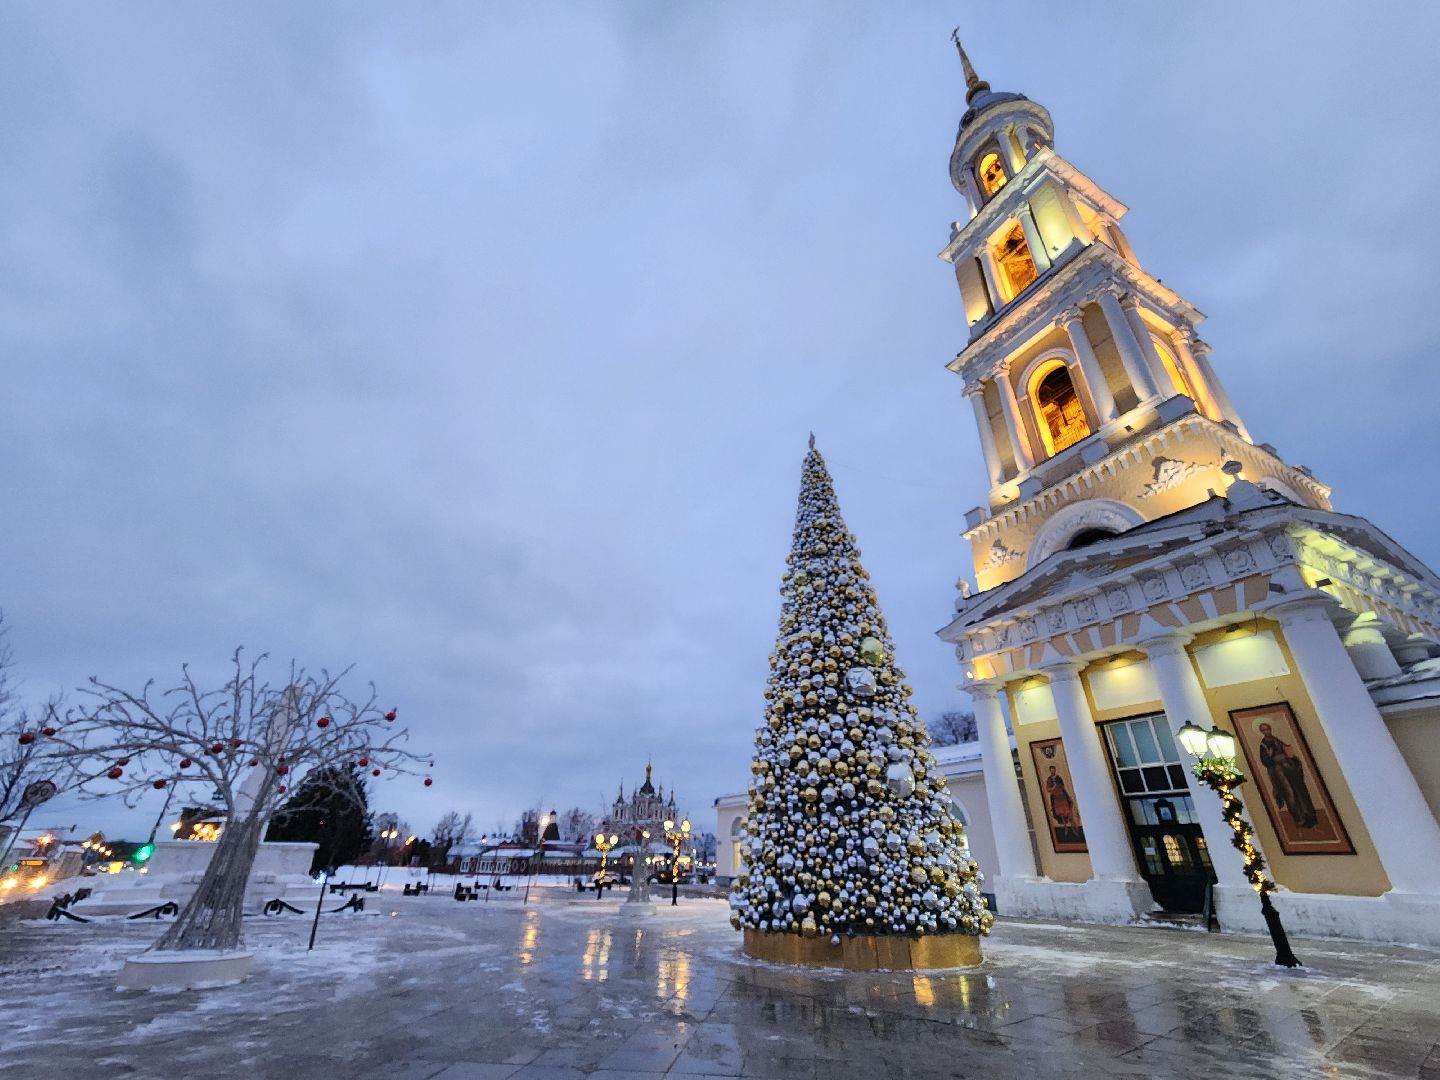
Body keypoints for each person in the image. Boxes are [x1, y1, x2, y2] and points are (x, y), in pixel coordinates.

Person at [1258, 722, 1318, 829]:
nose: (1266, 731)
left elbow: (1287, 751)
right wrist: (1274, 758)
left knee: (1301, 790)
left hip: (1290, 769)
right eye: (1264, 730)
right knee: (1289, 793)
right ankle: (1299, 818)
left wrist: (1291, 757)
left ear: (1270, 729)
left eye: (1267, 729)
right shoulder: (1263, 745)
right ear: (1261, 732)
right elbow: (1265, 760)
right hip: (1279, 772)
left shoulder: (1276, 739)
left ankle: (1309, 815)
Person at [1046, 765, 1076, 834]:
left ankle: (1073, 828)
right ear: (1050, 771)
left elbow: (1062, 786)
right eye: (1051, 770)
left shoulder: (1058, 778)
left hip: (1062, 796)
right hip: (1056, 797)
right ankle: (1065, 828)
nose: (1052, 771)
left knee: (1068, 811)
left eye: (1053, 769)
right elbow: (1048, 788)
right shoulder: (1049, 779)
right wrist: (1053, 787)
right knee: (1060, 813)